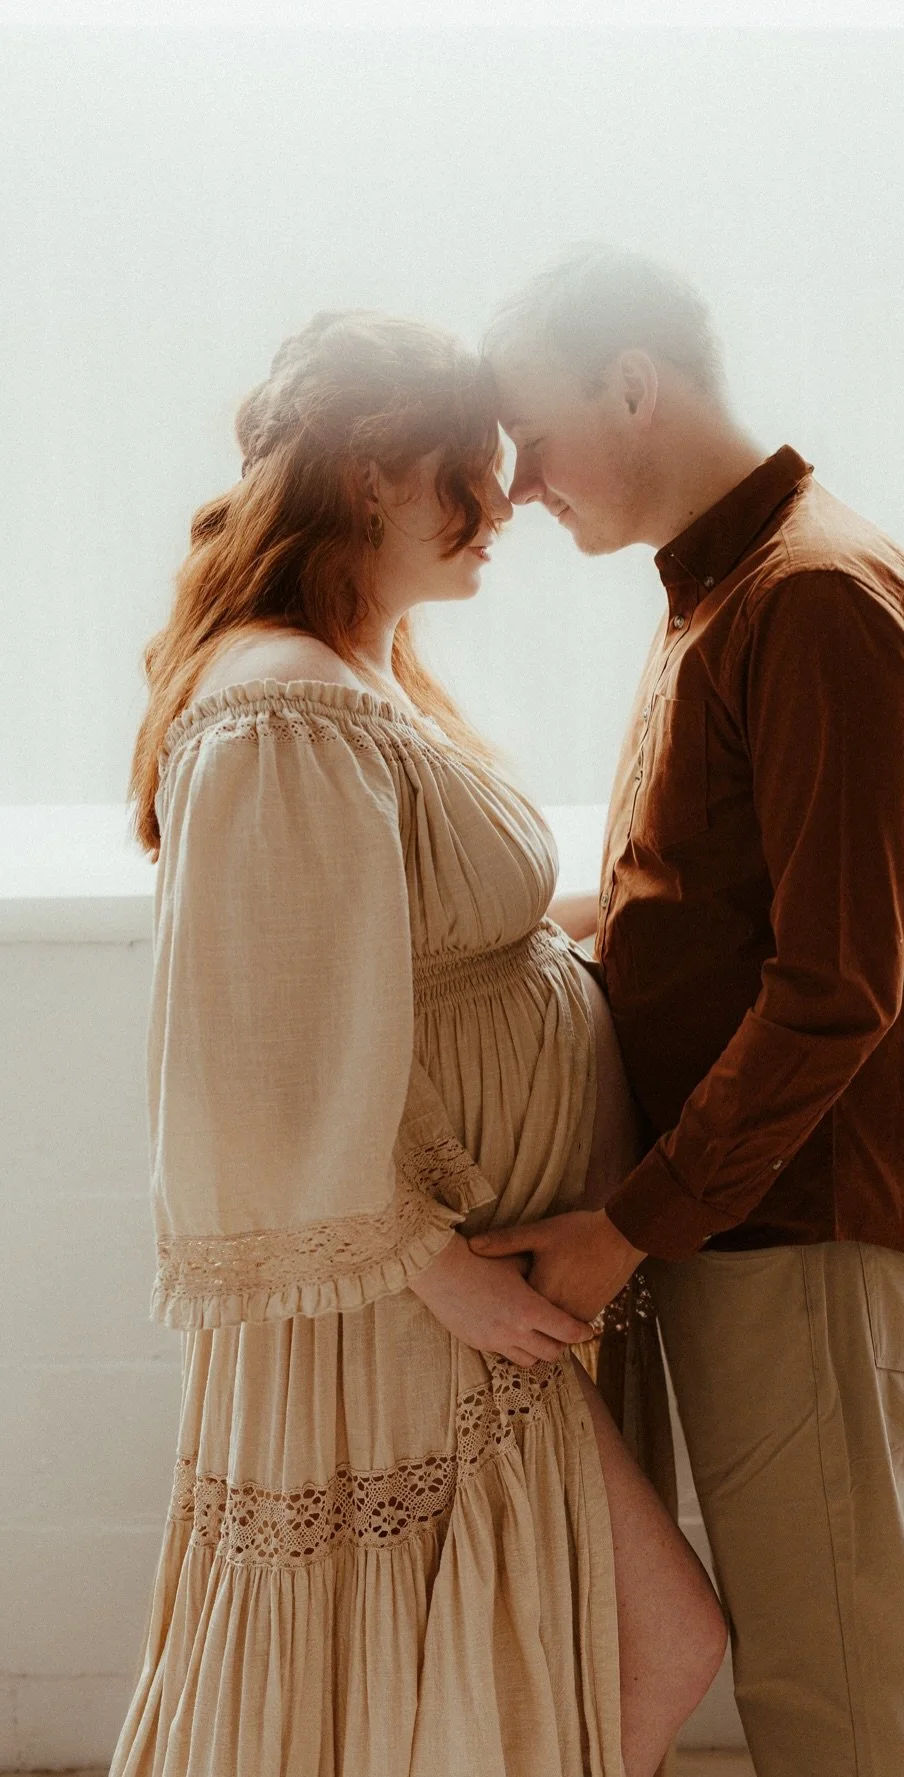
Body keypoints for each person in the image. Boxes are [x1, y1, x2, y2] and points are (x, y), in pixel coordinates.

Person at [113, 309, 725, 1777]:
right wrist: (432, 1272)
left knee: (500, 1663)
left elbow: (430, 935)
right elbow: (250, 1052)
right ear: (380, 470)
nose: (509, 496)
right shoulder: (281, 708)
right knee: (651, 1642)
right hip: (412, 1289)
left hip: (448, 1271)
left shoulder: (356, 674)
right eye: (475, 462)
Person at [473, 247, 904, 1777]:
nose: (514, 484)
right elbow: (695, 917)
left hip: (792, 1221)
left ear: (632, 386)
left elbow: (834, 993)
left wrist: (631, 1225)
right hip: (725, 1212)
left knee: (824, 1677)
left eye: (531, 432)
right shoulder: (723, 591)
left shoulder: (815, 600)